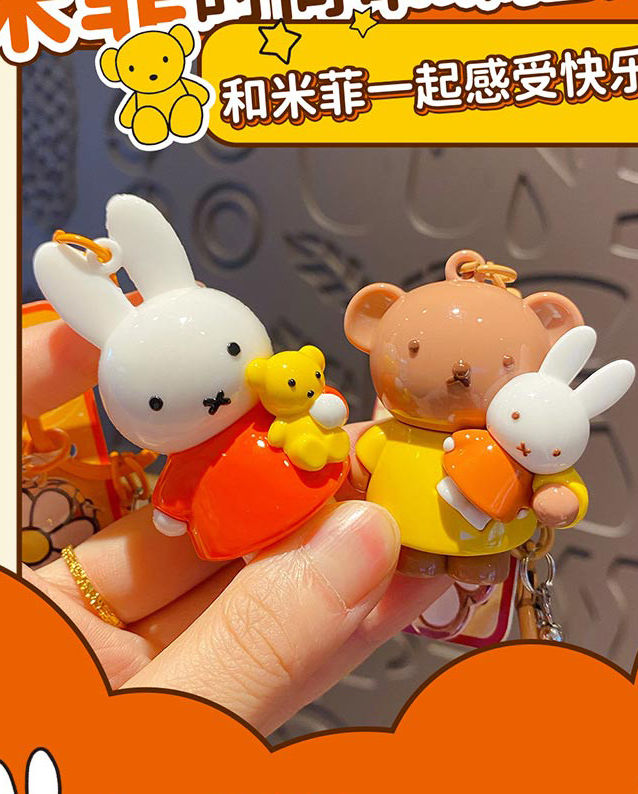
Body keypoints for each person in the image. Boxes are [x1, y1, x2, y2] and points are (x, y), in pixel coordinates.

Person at [23, 316, 449, 737]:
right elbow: (177, 487)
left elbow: (318, 401)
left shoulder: (276, 409)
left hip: (306, 484)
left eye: (230, 351)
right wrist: (171, 511)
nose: (208, 396)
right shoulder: (196, 453)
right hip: (237, 527)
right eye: (156, 403)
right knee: (257, 563)